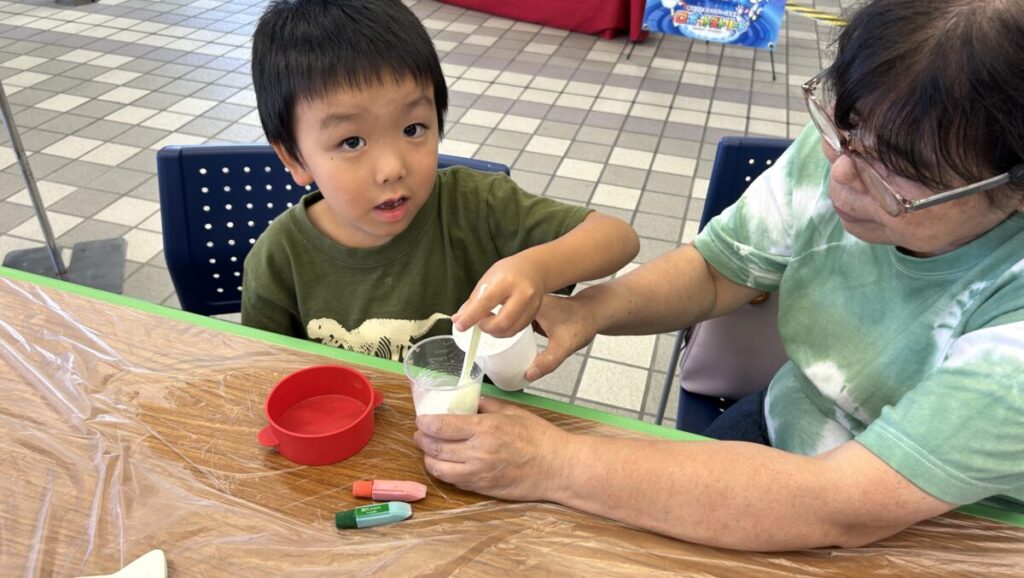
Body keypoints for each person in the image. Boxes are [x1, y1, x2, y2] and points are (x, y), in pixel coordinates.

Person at [418, 0, 1024, 551]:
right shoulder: (863, 143)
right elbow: (719, 270)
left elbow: (845, 504)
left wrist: (550, 462)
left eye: (897, 174)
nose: (839, 177)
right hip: (791, 419)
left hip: (954, 521)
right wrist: (590, 309)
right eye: (843, 127)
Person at [243, 0, 638, 361]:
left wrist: (537, 268)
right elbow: (265, 374)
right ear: (293, 157)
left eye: (413, 129)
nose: (392, 168)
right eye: (352, 141)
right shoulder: (278, 260)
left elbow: (617, 238)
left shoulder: (477, 205)